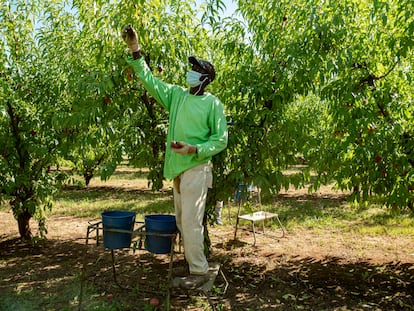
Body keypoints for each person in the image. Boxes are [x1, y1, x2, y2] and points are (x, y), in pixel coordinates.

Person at [122, 25, 228, 288]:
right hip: (178, 169)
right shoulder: (177, 96)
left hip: (196, 168)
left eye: (196, 70)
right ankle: (195, 265)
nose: (190, 73)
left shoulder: (212, 104)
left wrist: (194, 149)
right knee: (183, 222)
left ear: (205, 78)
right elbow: (149, 80)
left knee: (191, 223)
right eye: (191, 69)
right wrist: (135, 49)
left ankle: (199, 272)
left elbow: (221, 140)